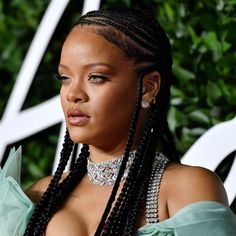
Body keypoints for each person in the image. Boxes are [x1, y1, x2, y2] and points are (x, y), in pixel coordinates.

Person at [0, 7, 236, 236]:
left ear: (148, 87)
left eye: (96, 77)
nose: (73, 94)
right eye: (65, 78)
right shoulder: (38, 197)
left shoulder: (187, 188)